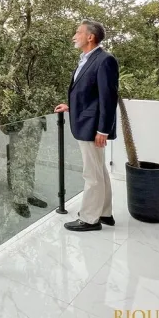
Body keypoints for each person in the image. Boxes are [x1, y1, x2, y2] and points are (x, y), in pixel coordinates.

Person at [54, 20, 119, 232]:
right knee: (99, 170)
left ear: (90, 37)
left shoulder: (105, 60)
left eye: (78, 32)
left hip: (93, 127)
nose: (74, 36)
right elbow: (90, 95)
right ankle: (105, 213)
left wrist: (103, 129)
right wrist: (71, 107)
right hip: (87, 121)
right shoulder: (87, 59)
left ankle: (90, 219)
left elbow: (108, 98)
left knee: (91, 174)